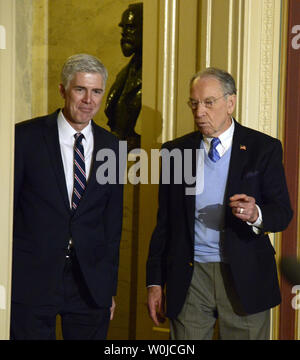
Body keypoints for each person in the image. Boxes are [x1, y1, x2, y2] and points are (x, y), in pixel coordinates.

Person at [146, 67, 293, 340]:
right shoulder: (174, 152)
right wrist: (154, 282)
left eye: (208, 103)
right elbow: (164, 224)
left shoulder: (264, 148)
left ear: (230, 103)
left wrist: (255, 213)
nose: (199, 111)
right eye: (194, 103)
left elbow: (282, 213)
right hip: (189, 277)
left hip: (244, 277)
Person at [11, 54, 124, 340]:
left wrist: (108, 288)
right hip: (31, 280)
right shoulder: (23, 138)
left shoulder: (114, 146)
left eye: (97, 91)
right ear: (63, 90)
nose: (89, 100)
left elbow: (112, 224)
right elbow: (7, 212)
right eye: (80, 89)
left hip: (90, 284)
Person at [105, 3, 143, 151]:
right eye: (123, 28)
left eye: (131, 28)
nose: (124, 34)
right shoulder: (124, 75)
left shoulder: (155, 80)